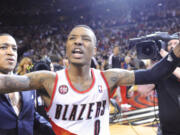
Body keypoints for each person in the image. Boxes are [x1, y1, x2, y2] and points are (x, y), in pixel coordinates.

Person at [0, 25, 180, 135]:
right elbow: (6, 83)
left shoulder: (109, 77)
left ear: (94, 50)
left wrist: (175, 50)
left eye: (85, 39)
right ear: (67, 47)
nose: (77, 42)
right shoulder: (47, 79)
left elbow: (154, 74)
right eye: (72, 39)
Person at [0, 33, 53, 135]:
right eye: (3, 47)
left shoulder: (28, 86)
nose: (11, 52)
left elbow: (31, 116)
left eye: (14, 49)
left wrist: (58, 130)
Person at [135, 38, 180, 135]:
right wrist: (153, 65)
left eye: (176, 43)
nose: (172, 46)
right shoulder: (161, 70)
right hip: (167, 129)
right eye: (169, 44)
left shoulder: (168, 64)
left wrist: (168, 59)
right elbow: (142, 90)